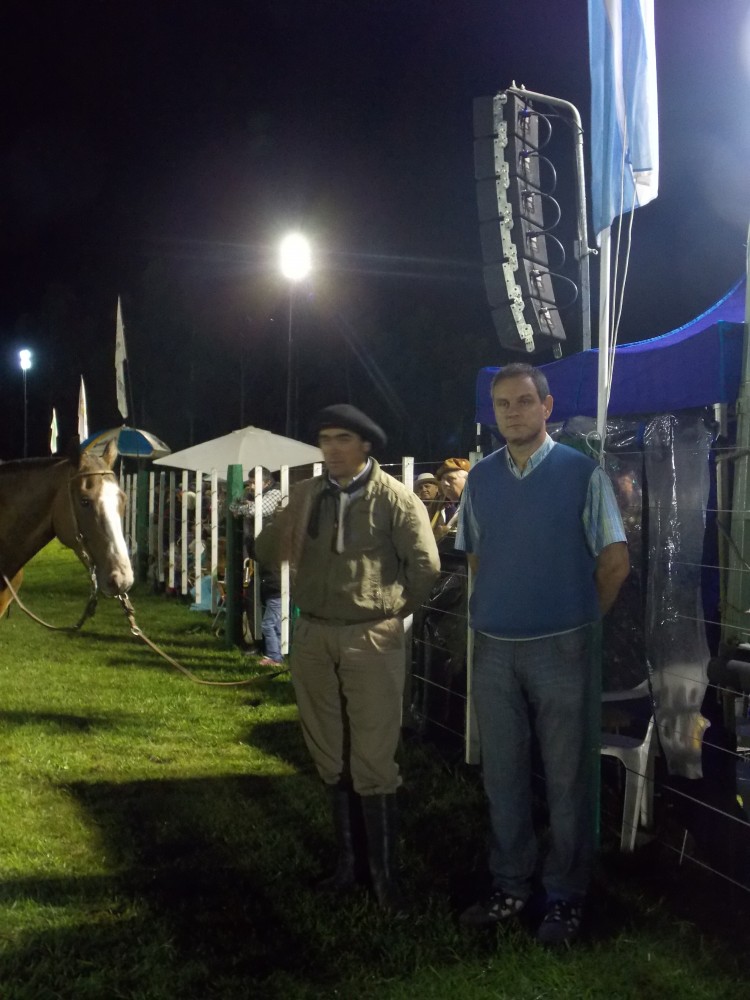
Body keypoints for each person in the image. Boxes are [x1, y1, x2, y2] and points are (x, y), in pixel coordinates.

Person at [456, 362, 629, 946]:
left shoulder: (583, 474)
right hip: (495, 649)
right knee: (501, 776)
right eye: (502, 403)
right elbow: (478, 559)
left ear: (546, 406)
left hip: (562, 646)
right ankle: (510, 883)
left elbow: (615, 562)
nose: (512, 412)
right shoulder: (480, 480)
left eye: (524, 401)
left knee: (567, 777)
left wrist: (578, 622)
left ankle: (566, 896)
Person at [256, 404, 440, 910]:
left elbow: (425, 567)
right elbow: (266, 553)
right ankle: (348, 866)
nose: (331, 448)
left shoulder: (396, 500)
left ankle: (384, 880)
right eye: (325, 439)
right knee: (329, 753)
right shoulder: (305, 494)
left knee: (373, 757)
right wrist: (280, 516)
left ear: (365, 446)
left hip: (370, 637)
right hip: (313, 634)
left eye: (342, 439)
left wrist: (389, 612)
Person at [230, 468, 283, 663]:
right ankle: (262, 646)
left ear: (267, 482)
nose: (250, 486)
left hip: (270, 559)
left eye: (254, 483)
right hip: (254, 556)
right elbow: (232, 507)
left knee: (270, 613)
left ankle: (273, 652)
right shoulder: (251, 495)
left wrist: (245, 506)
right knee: (252, 598)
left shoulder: (276, 493)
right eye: (249, 483)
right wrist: (245, 504)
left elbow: (257, 510)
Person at [434, 458, 470, 541]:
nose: (444, 483)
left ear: (468, 480)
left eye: (451, 479)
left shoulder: (475, 506)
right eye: (442, 480)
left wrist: (446, 533)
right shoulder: (439, 506)